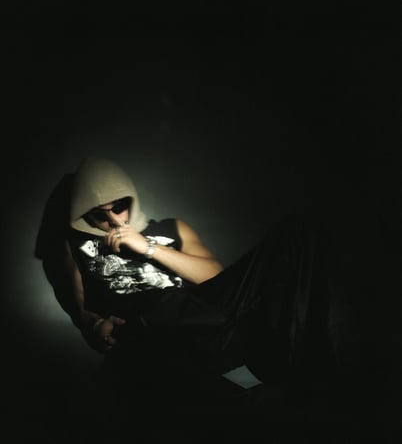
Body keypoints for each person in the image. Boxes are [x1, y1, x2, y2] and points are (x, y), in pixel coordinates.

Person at [34, 155, 399, 424]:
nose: (114, 220)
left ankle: (362, 368)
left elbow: (213, 275)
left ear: (131, 198)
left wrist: (148, 248)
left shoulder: (171, 228)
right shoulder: (75, 245)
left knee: (302, 229)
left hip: (211, 308)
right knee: (174, 335)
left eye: (120, 207)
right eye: (100, 214)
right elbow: (76, 301)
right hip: (153, 324)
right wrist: (93, 325)